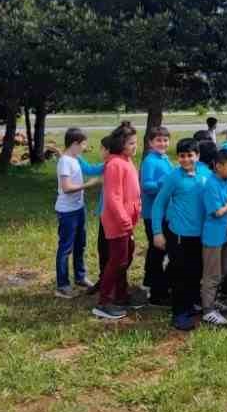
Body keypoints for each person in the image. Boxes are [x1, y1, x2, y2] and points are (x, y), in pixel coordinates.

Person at [153, 140, 210, 331]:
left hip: (200, 235)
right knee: (180, 275)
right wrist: (157, 232)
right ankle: (179, 313)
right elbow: (158, 204)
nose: (186, 159)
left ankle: (191, 303)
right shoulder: (173, 177)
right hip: (179, 235)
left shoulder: (205, 174)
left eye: (190, 155)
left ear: (198, 156)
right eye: (182, 156)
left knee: (196, 271)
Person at [93, 128, 141, 321]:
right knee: (118, 260)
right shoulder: (114, 164)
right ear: (121, 145)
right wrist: (123, 220)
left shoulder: (127, 161)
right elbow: (113, 197)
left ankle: (121, 295)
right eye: (131, 143)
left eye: (135, 142)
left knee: (125, 257)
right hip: (118, 221)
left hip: (128, 221)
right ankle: (103, 302)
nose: (135, 146)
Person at [53, 129, 102, 298]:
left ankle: (80, 277)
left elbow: (89, 167)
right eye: (83, 144)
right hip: (67, 212)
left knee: (80, 244)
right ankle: (62, 285)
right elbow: (66, 188)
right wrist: (89, 185)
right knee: (66, 248)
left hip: (78, 209)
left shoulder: (74, 158)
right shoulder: (65, 162)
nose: (85, 147)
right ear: (74, 144)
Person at [199, 147, 227, 327]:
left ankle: (211, 301)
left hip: (222, 236)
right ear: (217, 166)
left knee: (222, 271)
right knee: (212, 274)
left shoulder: (225, 181)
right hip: (213, 237)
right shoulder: (211, 184)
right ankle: (207, 310)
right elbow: (216, 212)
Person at [139, 126, 174, 306]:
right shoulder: (150, 161)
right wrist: (164, 183)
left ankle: (150, 282)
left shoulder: (165, 158)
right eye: (158, 140)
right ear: (151, 142)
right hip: (153, 214)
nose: (163, 143)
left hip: (165, 212)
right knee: (159, 250)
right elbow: (146, 186)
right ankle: (156, 292)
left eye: (165, 140)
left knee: (158, 250)